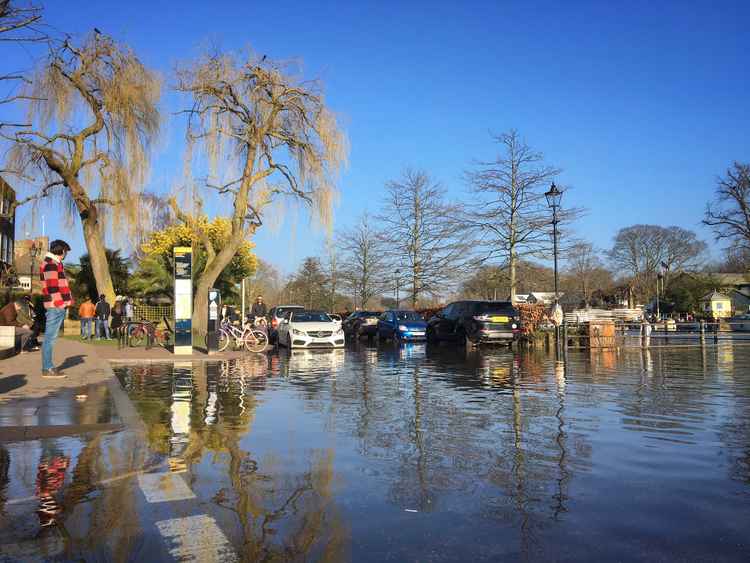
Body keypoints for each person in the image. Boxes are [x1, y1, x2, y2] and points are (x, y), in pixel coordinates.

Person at [40, 239, 73, 378]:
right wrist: (61, 304)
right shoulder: (51, 264)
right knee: (50, 338)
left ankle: (48, 367)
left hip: (56, 305)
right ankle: (47, 369)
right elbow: (52, 287)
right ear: (61, 251)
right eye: (65, 251)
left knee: (50, 337)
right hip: (55, 306)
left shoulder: (54, 264)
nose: (66, 254)